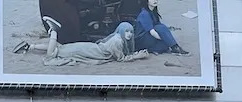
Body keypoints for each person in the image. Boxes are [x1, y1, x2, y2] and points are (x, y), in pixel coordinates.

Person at [14, 19, 148, 67]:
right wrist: (137, 56)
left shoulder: (117, 37)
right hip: (91, 52)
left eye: (131, 32)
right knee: (51, 57)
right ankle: (54, 31)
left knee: (60, 48)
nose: (129, 34)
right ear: (122, 31)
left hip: (91, 48)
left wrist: (136, 53)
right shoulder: (118, 41)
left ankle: (30, 46)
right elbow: (121, 59)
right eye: (128, 32)